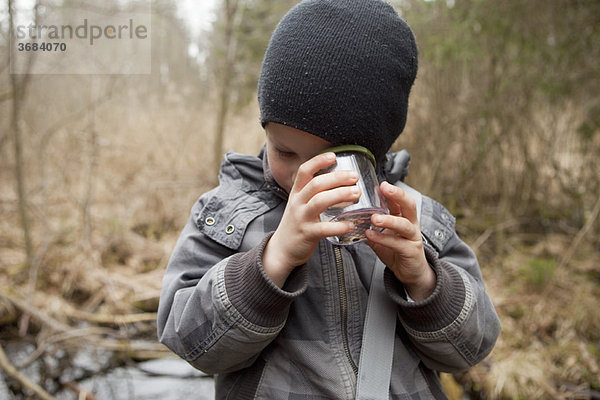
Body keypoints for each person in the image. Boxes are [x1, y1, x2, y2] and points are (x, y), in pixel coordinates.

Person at [157, 0, 501, 398]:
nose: (304, 174)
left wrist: (422, 280)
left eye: (333, 161)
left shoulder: (417, 220)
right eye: (284, 152)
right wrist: (271, 263)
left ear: (373, 152)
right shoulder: (227, 214)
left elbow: (472, 348)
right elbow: (188, 341)